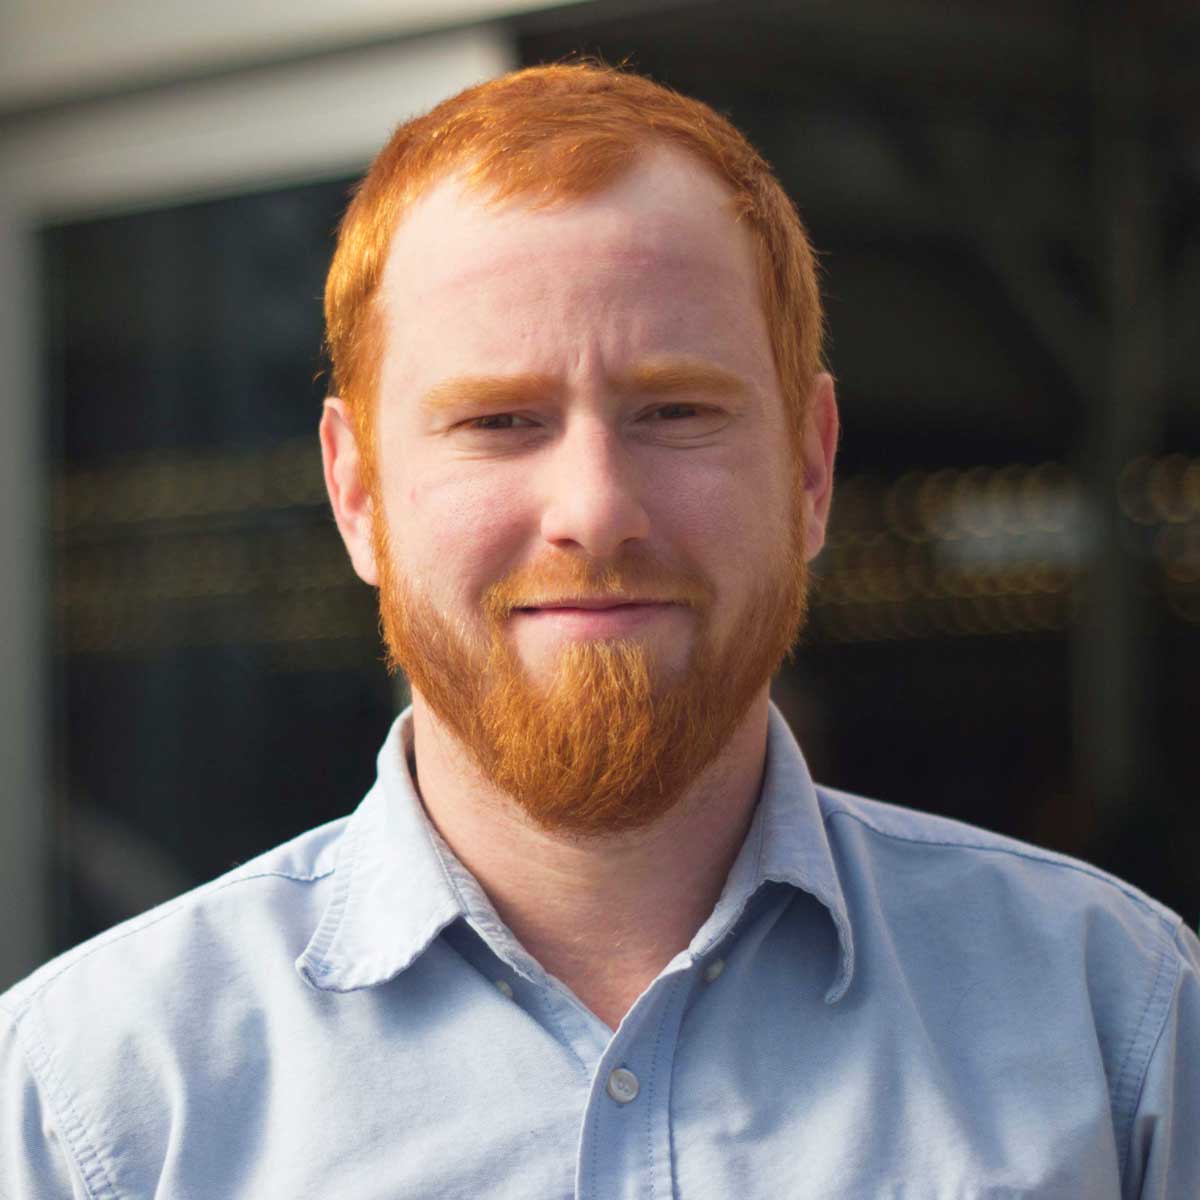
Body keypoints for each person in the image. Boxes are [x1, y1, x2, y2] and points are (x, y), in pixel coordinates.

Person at [2, 62, 1196, 1199]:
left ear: (813, 468)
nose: (595, 511)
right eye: (500, 420)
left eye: (676, 410)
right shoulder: (96, 1106)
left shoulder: (1117, 1023)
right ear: (356, 495)